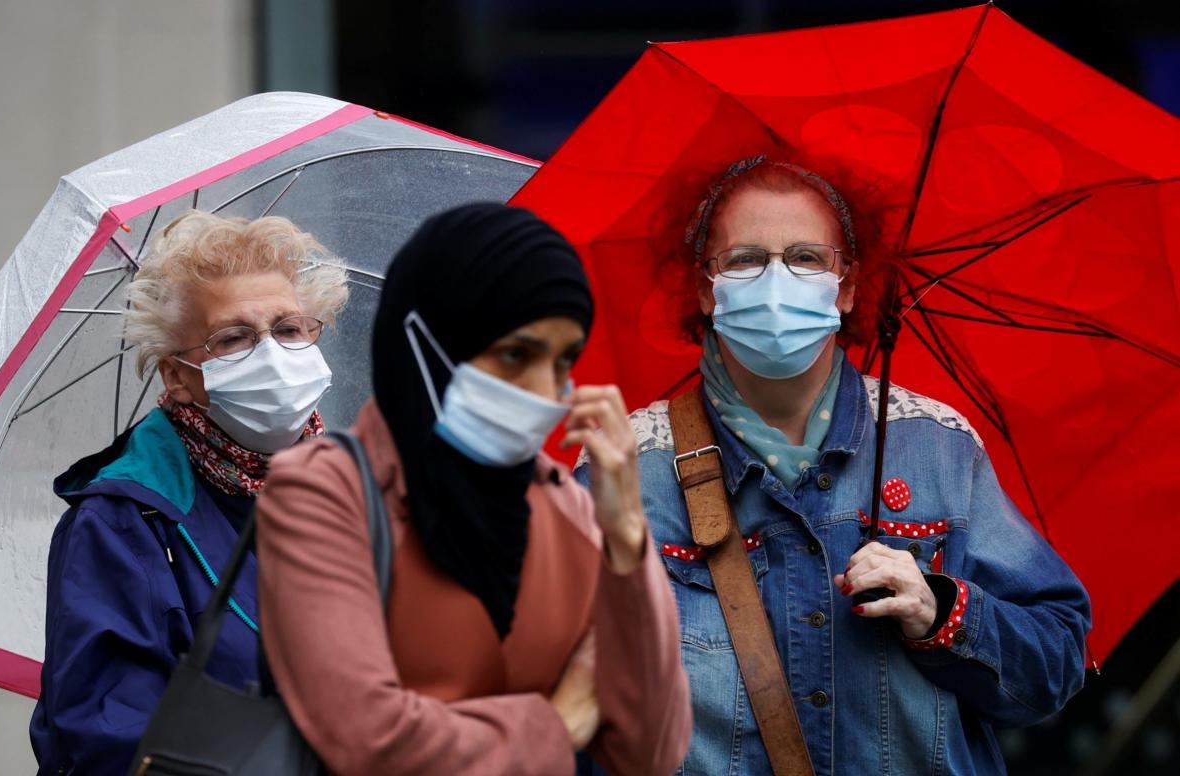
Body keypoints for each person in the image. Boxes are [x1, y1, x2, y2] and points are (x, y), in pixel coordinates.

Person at [590, 155, 1092, 775]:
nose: (777, 280)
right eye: (746, 259)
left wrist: (939, 611)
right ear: (705, 288)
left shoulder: (937, 446)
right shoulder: (628, 467)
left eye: (806, 258)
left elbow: (1055, 665)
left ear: (848, 285)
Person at [254, 203, 691, 776]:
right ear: (426, 340)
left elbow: (651, 752)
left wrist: (628, 537)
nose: (546, 391)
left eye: (563, 362)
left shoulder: (563, 502)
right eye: (515, 355)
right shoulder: (325, 491)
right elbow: (371, 739)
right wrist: (558, 724)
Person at [29, 211, 349, 774]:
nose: (273, 355)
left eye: (289, 328)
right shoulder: (122, 526)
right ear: (177, 376)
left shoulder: (362, 497)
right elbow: (112, 746)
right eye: (234, 338)